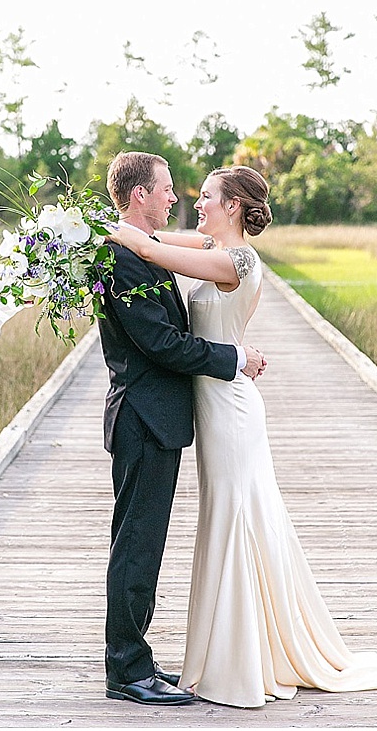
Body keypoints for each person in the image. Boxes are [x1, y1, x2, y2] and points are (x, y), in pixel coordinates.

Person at [109, 164, 377, 709]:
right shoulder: (208, 244)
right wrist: (93, 231)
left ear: (232, 207)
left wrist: (90, 230)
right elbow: (153, 241)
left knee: (238, 520)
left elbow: (153, 248)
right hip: (199, 405)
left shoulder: (235, 258)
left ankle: (239, 656)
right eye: (176, 191)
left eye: (205, 196)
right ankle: (169, 659)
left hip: (228, 410)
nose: (192, 201)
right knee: (222, 521)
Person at [97, 151, 266, 707]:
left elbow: (163, 256)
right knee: (137, 545)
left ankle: (137, 660)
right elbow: (161, 344)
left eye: (191, 193)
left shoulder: (156, 251)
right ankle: (126, 669)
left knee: (146, 543)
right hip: (144, 418)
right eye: (167, 189)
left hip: (169, 418)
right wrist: (232, 357)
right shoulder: (122, 258)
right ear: (139, 194)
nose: (178, 197)